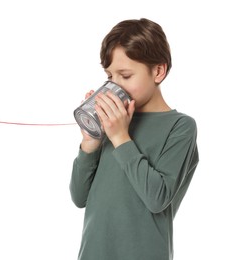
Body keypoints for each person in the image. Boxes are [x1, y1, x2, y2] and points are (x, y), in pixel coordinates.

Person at [69, 18, 199, 260]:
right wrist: (90, 143)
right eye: (109, 76)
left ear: (158, 71)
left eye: (125, 76)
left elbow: (157, 199)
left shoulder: (180, 127)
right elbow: (79, 197)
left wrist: (120, 136)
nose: (114, 86)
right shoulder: (113, 123)